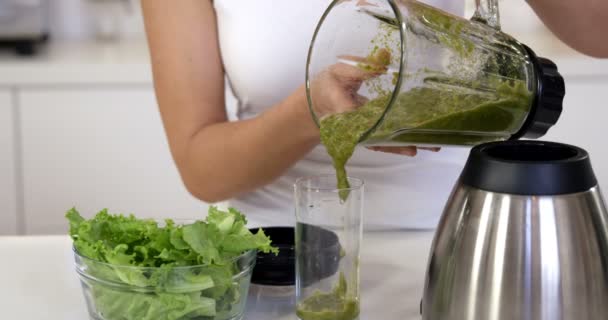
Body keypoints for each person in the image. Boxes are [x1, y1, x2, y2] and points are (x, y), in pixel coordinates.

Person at [141, 0, 608, 229]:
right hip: (279, 254)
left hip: (449, 238)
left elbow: (598, 32)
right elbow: (201, 166)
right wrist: (312, 114)